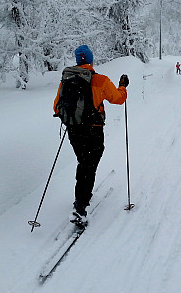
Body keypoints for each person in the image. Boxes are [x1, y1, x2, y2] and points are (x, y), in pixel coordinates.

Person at [53, 45, 129, 226]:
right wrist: (123, 86)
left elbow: (57, 107)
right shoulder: (100, 80)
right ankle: (80, 206)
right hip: (93, 130)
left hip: (73, 129)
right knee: (89, 164)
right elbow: (118, 99)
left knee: (84, 162)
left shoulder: (66, 80)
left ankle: (82, 197)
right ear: (91, 60)